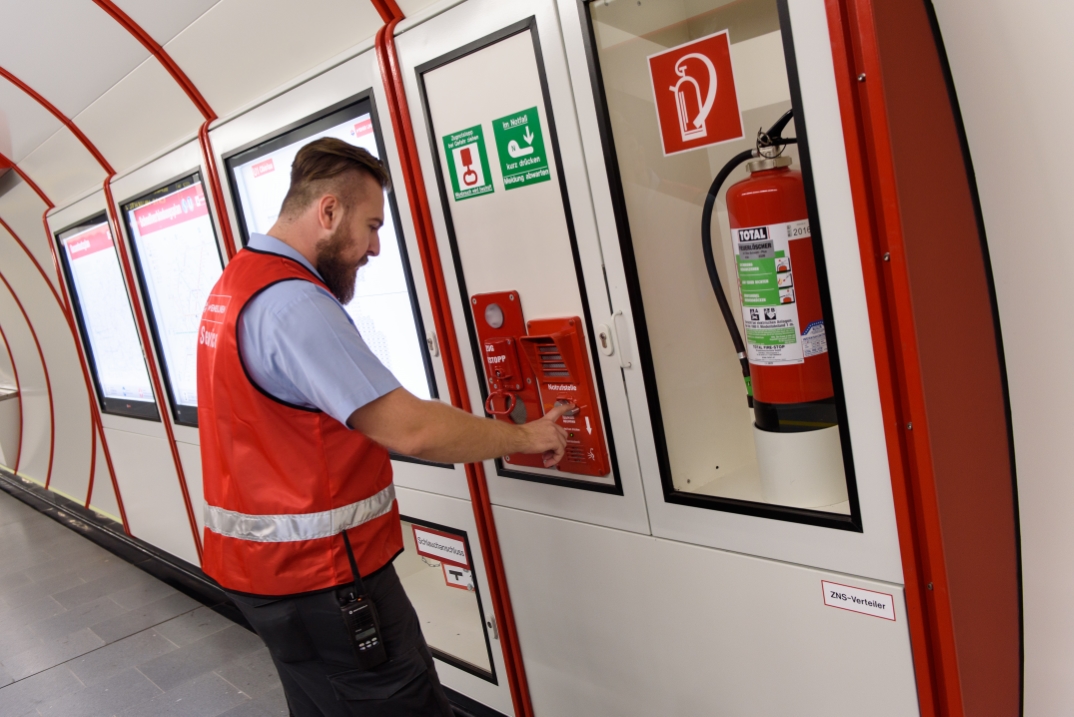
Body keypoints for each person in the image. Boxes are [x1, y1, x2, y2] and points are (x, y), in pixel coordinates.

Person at [196, 137, 569, 716]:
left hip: (267, 578)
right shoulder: (294, 305)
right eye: (370, 226)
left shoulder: (236, 284)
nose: (373, 248)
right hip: (324, 579)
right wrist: (524, 436)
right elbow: (412, 429)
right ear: (327, 211)